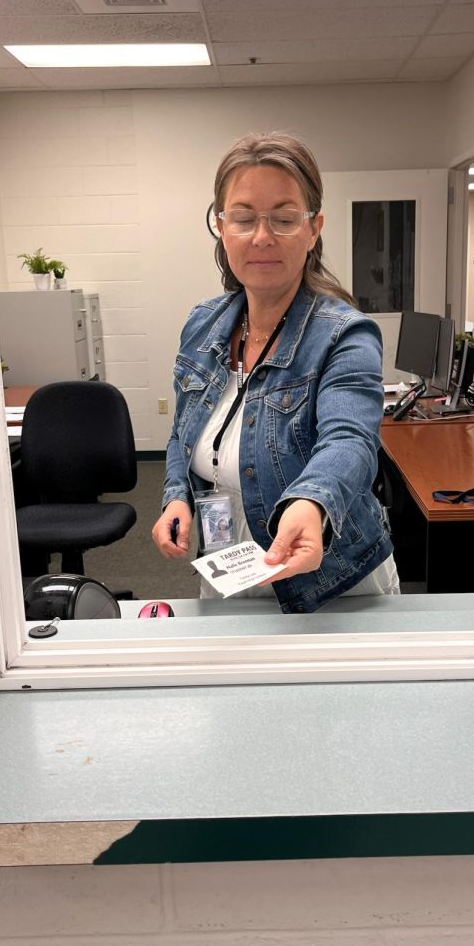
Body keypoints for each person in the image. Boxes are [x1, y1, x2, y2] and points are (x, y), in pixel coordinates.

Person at [151, 131, 398, 613]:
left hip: (328, 574)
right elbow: (183, 434)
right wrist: (176, 497)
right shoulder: (203, 325)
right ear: (221, 227)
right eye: (243, 218)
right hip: (227, 565)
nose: (262, 237)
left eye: (284, 218)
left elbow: (350, 440)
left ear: (313, 228)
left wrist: (311, 502)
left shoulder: (344, 334)